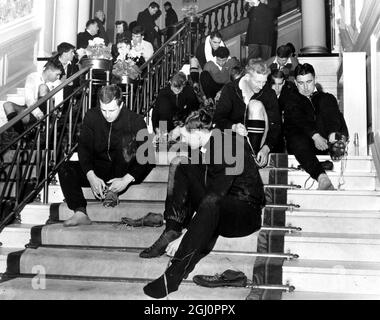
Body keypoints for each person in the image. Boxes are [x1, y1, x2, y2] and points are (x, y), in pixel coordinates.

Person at [142, 109, 266, 299]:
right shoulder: (209, 144)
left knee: (210, 201)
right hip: (221, 203)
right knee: (181, 163)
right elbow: (210, 188)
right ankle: (172, 228)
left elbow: (216, 194)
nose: (182, 141)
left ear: (198, 133)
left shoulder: (227, 145)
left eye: (185, 136)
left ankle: (173, 275)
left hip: (244, 212)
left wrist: (187, 236)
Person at [58, 85, 154, 227]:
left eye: (112, 110)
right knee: (65, 168)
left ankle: (112, 190)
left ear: (121, 105)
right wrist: (91, 176)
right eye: (104, 110)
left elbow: (147, 157)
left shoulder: (136, 120)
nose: (107, 115)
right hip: (99, 169)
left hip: (124, 170)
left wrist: (126, 180)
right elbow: (84, 149)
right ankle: (80, 212)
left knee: (128, 147)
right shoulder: (91, 116)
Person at [283, 63, 349, 190]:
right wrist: (315, 135)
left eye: (309, 81)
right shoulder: (291, 99)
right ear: (295, 83)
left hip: (325, 140)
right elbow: (299, 119)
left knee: (328, 99)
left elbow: (334, 117)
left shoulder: (324, 98)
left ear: (315, 79)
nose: (306, 87)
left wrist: (326, 135)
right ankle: (322, 179)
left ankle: (334, 139)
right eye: (301, 83)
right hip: (302, 143)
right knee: (295, 136)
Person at [214, 60, 282, 166]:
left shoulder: (269, 93)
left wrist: (266, 148)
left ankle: (253, 158)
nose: (261, 86)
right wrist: (233, 127)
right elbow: (218, 119)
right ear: (246, 77)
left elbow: (276, 125)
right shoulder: (230, 89)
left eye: (264, 82)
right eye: (258, 82)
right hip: (234, 140)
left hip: (260, 144)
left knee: (255, 105)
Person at [3, 61, 62, 134]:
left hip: (48, 111)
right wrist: (37, 113)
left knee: (42, 87)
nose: (58, 77)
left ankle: (44, 122)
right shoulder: (33, 77)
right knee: (7, 105)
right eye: (57, 74)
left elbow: (59, 103)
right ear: (49, 71)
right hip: (33, 110)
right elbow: (29, 99)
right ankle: (22, 135)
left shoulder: (58, 82)